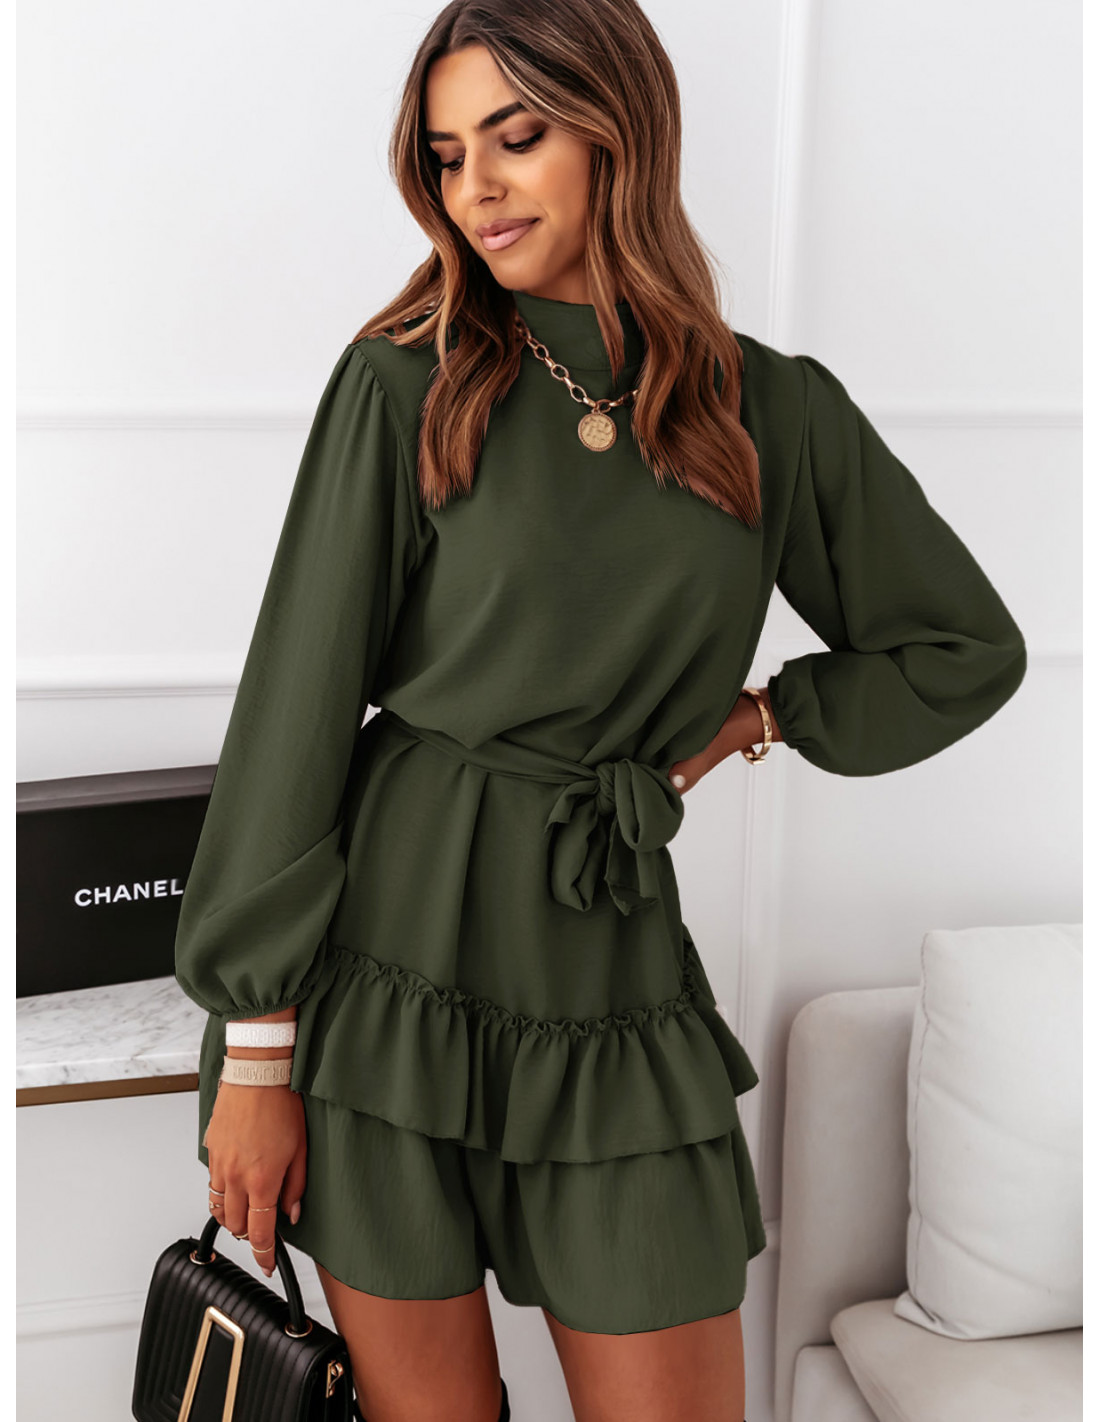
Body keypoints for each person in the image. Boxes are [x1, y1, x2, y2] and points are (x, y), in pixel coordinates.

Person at [173, 2, 1027, 1419]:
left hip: (606, 955)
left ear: (618, 132)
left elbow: (962, 647)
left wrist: (757, 719)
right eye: (448, 155)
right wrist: (256, 1060)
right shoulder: (406, 382)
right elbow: (292, 716)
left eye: (516, 138)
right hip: (384, 972)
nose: (479, 187)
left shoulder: (772, 411)